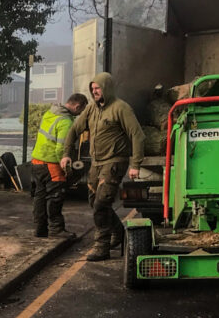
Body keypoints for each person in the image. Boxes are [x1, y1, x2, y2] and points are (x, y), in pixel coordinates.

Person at [61, 72, 144, 261]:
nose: (94, 91)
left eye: (97, 88)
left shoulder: (121, 108)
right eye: (92, 88)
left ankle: (101, 246)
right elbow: (74, 130)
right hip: (96, 163)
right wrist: (66, 154)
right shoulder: (91, 109)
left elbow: (137, 135)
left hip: (114, 162)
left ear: (106, 87)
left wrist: (135, 164)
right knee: (93, 201)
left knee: (101, 203)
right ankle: (118, 231)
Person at [31, 93, 88, 237]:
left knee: (40, 196)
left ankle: (40, 229)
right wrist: (66, 168)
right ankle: (56, 229)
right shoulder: (65, 122)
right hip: (52, 164)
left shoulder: (49, 113)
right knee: (55, 197)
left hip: (37, 161)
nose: (80, 114)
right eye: (81, 110)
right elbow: (61, 149)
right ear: (77, 106)